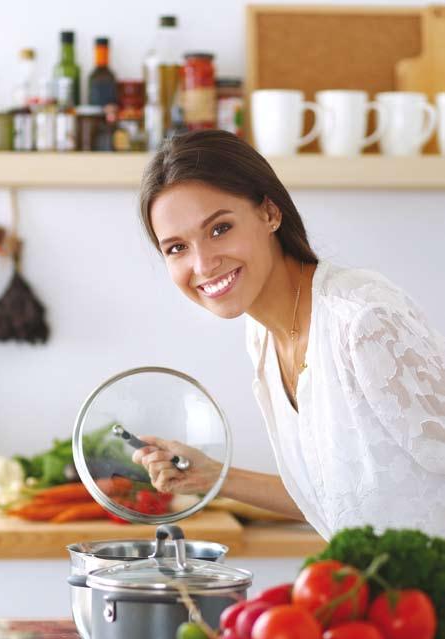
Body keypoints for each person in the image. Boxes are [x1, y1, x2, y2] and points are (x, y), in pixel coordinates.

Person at [132, 129, 445, 540]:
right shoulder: (262, 337)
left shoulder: (363, 322)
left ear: (270, 214)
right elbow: (334, 497)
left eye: (219, 228)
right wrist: (208, 475)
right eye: (176, 248)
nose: (203, 264)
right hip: (374, 595)